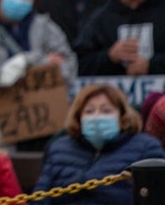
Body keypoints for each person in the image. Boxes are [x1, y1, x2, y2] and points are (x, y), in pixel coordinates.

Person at [34, 84, 165, 204]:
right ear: (79, 117)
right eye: (90, 111)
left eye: (106, 111)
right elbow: (40, 198)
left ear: (122, 116)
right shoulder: (59, 148)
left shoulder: (146, 146)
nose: (97, 117)